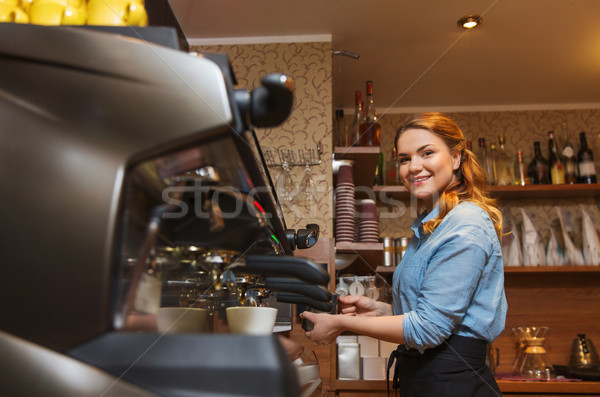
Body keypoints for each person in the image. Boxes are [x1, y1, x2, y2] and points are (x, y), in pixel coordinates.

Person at [301, 112, 507, 396]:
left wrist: (340, 323)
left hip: (453, 381)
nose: (414, 167)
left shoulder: (466, 223)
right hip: (427, 378)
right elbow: (428, 313)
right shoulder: (431, 227)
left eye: (427, 153)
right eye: (404, 159)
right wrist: (376, 311)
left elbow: (428, 330)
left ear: (457, 158)